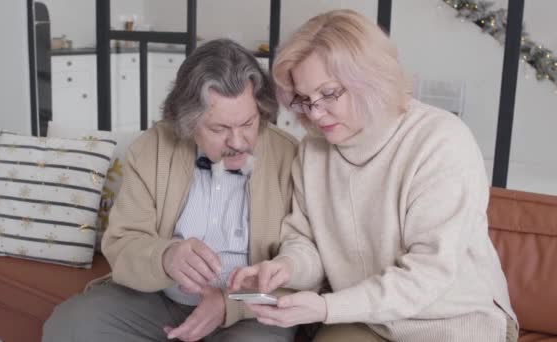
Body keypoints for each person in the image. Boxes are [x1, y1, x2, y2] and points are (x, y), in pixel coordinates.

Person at [228, 9, 518, 342]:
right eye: (305, 99)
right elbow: (304, 240)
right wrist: (287, 266)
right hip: (367, 319)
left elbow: (428, 273)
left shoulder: (441, 141)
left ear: (369, 78)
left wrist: (327, 309)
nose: (316, 113)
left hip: (452, 320)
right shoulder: (313, 150)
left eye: (329, 93)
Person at [42, 39, 299, 342]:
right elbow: (122, 242)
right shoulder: (153, 148)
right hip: (160, 299)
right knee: (71, 326)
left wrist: (230, 303)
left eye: (248, 123)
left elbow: (301, 267)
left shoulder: (290, 157)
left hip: (251, 309)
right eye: (219, 129)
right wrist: (166, 256)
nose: (239, 142)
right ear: (188, 123)